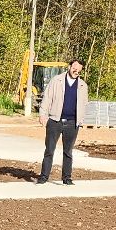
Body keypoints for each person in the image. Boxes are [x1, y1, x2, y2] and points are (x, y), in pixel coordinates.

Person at [36, 56, 87, 185]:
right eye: (74, 68)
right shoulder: (57, 81)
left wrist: (80, 120)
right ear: (69, 67)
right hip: (55, 121)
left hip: (72, 123)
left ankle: (67, 178)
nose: (76, 71)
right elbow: (47, 98)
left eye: (79, 70)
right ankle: (43, 177)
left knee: (68, 152)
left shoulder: (82, 85)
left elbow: (84, 103)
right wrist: (43, 114)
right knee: (49, 150)